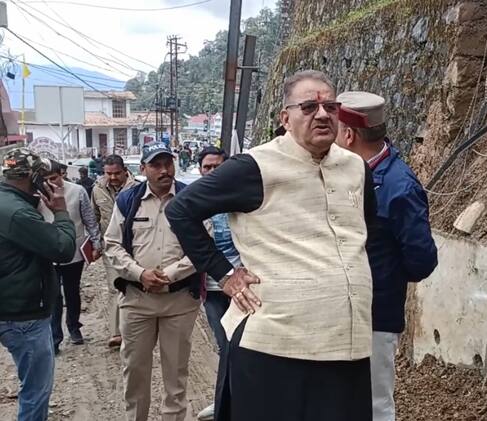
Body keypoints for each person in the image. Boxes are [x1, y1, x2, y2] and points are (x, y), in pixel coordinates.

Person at [166, 70, 377, 421]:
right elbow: (180, 210)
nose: (322, 115)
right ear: (285, 118)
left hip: (346, 342)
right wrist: (225, 274)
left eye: (330, 107)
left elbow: (366, 231)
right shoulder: (255, 167)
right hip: (275, 345)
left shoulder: (355, 167)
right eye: (308, 107)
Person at [336, 91, 438, 421]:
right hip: (338, 310)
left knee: (374, 404)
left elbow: (422, 259)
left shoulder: (398, 186)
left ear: (348, 135)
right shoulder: (346, 173)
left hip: (375, 316)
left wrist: (383, 277)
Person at [104, 141, 202, 421]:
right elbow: (112, 245)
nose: (164, 170)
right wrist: (139, 273)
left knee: (176, 373)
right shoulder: (128, 201)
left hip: (179, 302)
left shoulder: (191, 199)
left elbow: (202, 247)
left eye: (168, 163)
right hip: (137, 301)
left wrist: (169, 275)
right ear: (143, 169)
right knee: (134, 371)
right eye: (156, 165)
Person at [0, 148, 76, 421]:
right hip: (24, 315)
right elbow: (63, 248)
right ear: (33, 178)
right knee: (36, 390)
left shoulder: (9, 203)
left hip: (12, 307)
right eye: (42, 176)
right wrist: (61, 212)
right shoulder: (17, 213)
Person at [195, 146, 240, 421]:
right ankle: (224, 400)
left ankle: (234, 401)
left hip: (242, 287)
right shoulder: (193, 200)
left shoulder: (241, 197)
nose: (212, 171)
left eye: (218, 166)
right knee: (224, 345)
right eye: (207, 167)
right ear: (200, 170)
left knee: (242, 344)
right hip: (211, 288)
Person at [40, 161, 102, 354]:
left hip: (74, 252)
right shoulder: (37, 194)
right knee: (53, 295)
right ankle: (55, 337)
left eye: (54, 178)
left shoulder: (77, 191)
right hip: (48, 253)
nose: (51, 183)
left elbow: (89, 219)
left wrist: (96, 243)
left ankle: (74, 327)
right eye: (46, 180)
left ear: (62, 174)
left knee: (72, 291)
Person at [91, 154, 138, 347]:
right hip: (110, 247)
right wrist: (96, 244)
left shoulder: (137, 189)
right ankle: (117, 332)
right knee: (114, 288)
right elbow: (94, 217)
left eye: (116, 173)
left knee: (134, 288)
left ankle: (135, 328)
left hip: (134, 247)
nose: (112, 177)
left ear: (125, 171)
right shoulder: (97, 189)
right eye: (108, 174)